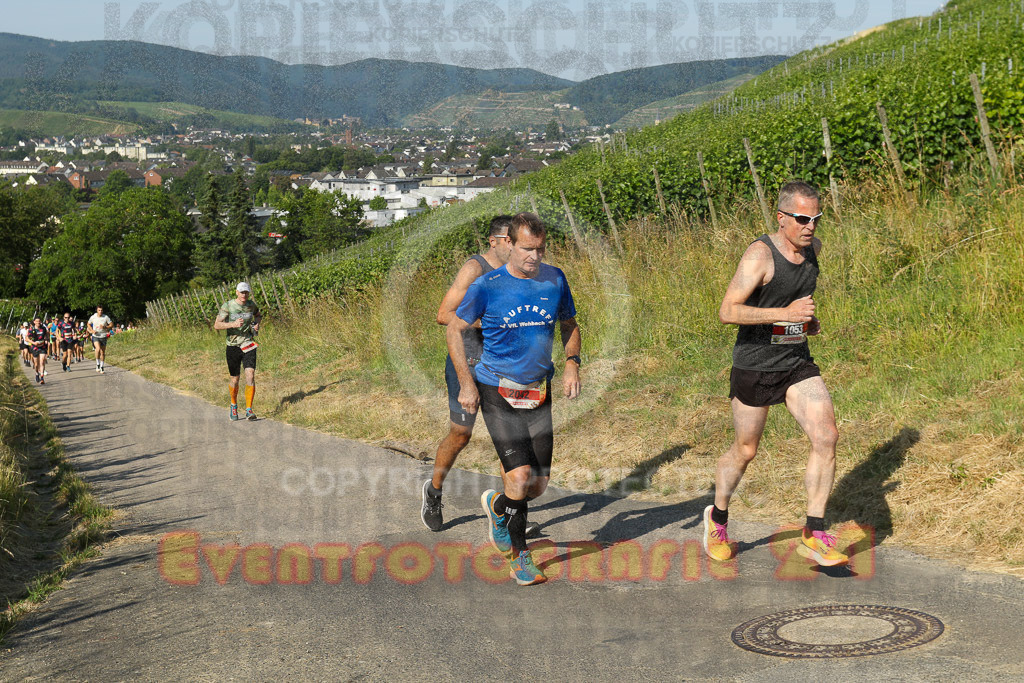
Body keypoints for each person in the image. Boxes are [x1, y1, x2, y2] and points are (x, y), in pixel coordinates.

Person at [703, 180, 847, 568]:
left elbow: (794, 304)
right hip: (755, 365)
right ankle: (717, 519)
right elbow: (728, 311)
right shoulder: (759, 256)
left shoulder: (814, 249)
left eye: (816, 218)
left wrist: (806, 322)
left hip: (796, 363)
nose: (811, 226)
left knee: (826, 434)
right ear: (781, 218)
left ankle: (813, 533)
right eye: (802, 218)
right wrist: (785, 315)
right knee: (746, 450)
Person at [447, 212, 582, 586]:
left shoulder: (555, 279)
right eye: (526, 249)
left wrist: (572, 364)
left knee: (537, 485)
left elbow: (569, 323)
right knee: (520, 477)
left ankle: (498, 506)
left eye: (540, 250)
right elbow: (455, 330)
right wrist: (466, 383)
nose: (534, 257)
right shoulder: (487, 286)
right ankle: (520, 557)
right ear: (508, 243)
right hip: (496, 388)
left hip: (539, 390)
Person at [421, 215, 513, 532]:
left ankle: (510, 512)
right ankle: (433, 492)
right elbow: (444, 314)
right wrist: (489, 323)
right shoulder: (476, 268)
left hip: (503, 367)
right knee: (461, 435)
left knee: (509, 440)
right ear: (494, 241)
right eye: (510, 239)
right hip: (468, 364)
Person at [213, 282, 262, 421]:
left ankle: (249, 409)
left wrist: (257, 324)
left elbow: (258, 315)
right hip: (233, 346)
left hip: (248, 343)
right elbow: (217, 324)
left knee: (250, 374)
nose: (244, 295)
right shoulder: (228, 306)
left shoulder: (251, 305)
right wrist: (232, 324)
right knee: (235, 379)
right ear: (236, 292)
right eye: (241, 292)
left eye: (246, 292)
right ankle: (233, 404)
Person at [87, 306, 114, 374]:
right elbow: (88, 324)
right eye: (99, 310)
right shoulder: (93, 317)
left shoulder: (105, 317)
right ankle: (97, 364)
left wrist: (105, 327)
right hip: (96, 335)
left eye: (101, 310)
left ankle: (102, 366)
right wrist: (92, 330)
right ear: (97, 310)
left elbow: (111, 324)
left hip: (103, 336)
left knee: (102, 352)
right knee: (98, 349)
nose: (100, 311)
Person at [27, 318, 48, 384]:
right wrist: (33, 343)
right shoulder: (31, 329)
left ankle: (42, 377)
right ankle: (37, 373)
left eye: (39, 321)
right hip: (35, 347)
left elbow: (46, 334)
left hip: (42, 346)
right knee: (36, 364)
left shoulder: (43, 328)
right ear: (34, 322)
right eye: (36, 321)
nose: (38, 322)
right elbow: (27, 338)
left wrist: (46, 340)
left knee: (42, 361)